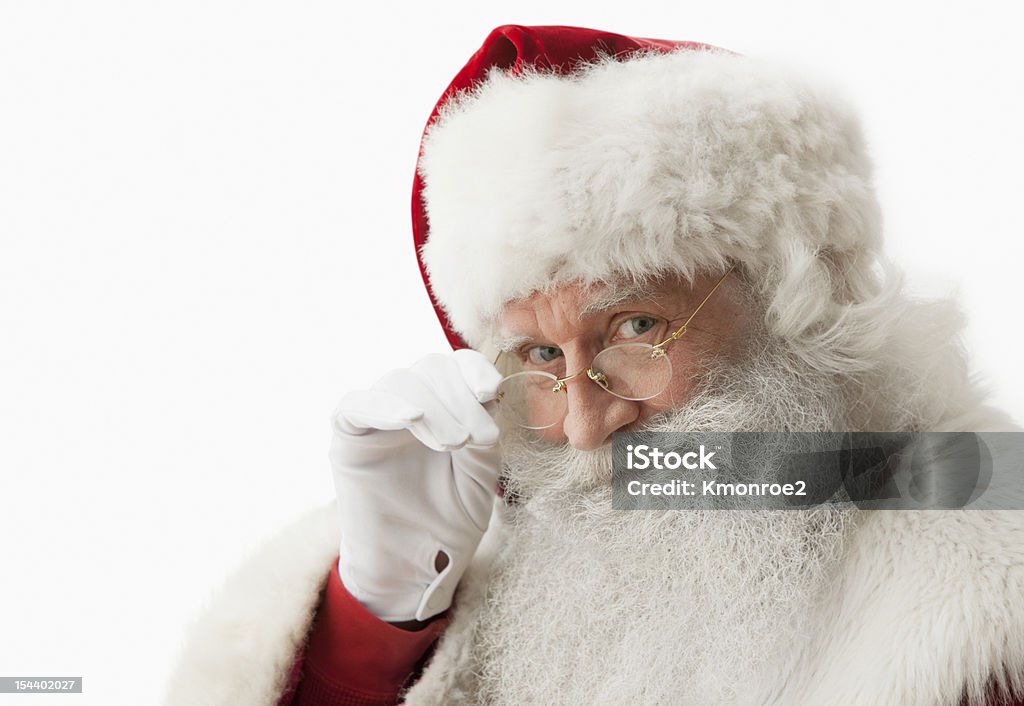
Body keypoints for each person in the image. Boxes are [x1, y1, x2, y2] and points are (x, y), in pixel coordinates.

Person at [162, 24, 1024, 706]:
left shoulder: (980, 595)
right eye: (541, 354)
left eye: (635, 326)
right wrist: (379, 621)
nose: (582, 424)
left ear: (790, 300)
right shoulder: (492, 559)